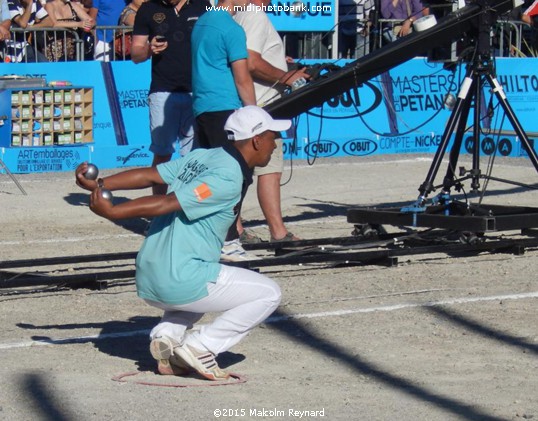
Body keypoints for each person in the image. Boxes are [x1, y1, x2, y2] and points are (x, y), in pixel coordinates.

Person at [74, 106, 287, 381]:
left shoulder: (201, 156)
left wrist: (100, 183)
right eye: (273, 137)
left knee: (204, 280)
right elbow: (167, 202)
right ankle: (200, 347)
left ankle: (167, 335)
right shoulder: (227, 178)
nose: (276, 144)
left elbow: (151, 175)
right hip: (179, 280)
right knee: (268, 293)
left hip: (150, 276)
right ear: (256, 140)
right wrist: (112, 211)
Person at [235, 0, 310, 243]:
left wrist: (279, 63)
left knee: (241, 171)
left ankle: (235, 229)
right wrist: (287, 76)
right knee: (270, 171)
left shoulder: (238, 13)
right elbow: (252, 61)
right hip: (262, 105)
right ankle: (278, 232)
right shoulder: (255, 13)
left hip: (247, 105)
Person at [191, 0, 257, 260]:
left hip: (203, 106)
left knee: (212, 176)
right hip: (225, 107)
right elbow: (242, 78)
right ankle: (228, 240)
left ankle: (211, 236)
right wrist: (255, 116)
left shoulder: (202, 22)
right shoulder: (231, 28)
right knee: (236, 177)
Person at [132, 0, 209, 195]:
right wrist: (149, 49)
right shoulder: (149, 9)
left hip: (197, 90)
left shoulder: (203, 5)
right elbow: (135, 53)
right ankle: (157, 211)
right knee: (162, 153)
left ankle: (185, 207)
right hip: (162, 91)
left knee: (193, 157)